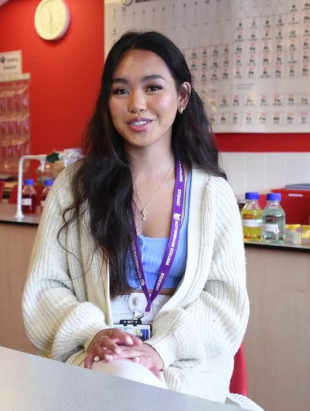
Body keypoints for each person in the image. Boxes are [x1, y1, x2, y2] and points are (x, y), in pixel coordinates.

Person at [22, 31, 261, 410]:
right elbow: (46, 288)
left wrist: (159, 349)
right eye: (120, 91)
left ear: (182, 97)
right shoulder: (74, 187)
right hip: (93, 354)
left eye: (152, 88)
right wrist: (93, 333)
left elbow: (225, 304)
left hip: (182, 365)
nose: (136, 104)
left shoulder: (211, 195)